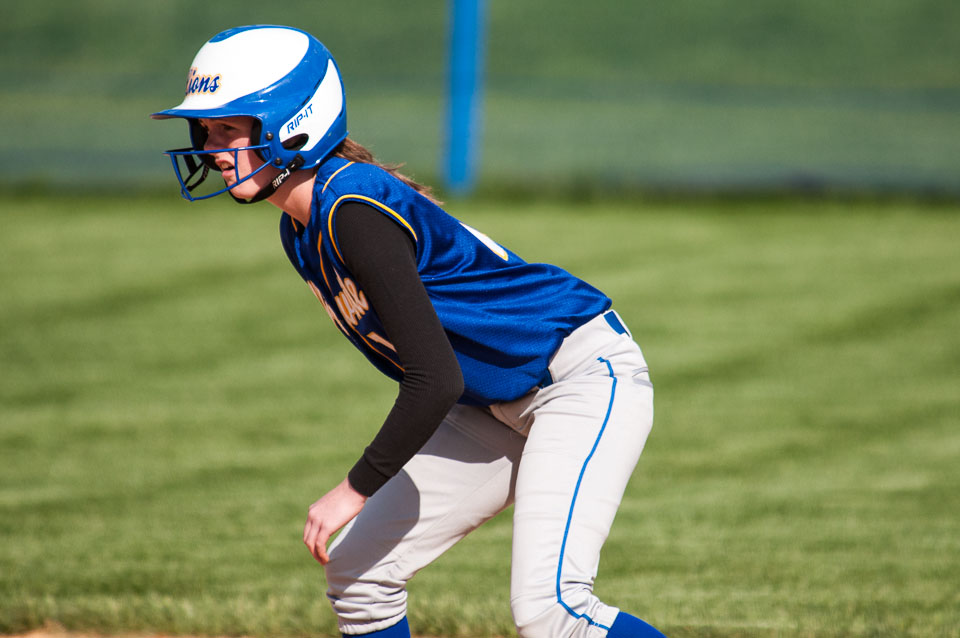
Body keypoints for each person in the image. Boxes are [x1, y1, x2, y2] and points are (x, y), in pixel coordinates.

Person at [153, 24, 667, 638]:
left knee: (552, 611)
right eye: (206, 131)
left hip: (578, 379)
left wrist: (354, 489)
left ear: (294, 124)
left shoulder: (353, 211)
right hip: (493, 398)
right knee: (360, 580)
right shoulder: (302, 228)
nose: (212, 149)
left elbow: (433, 379)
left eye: (229, 128)